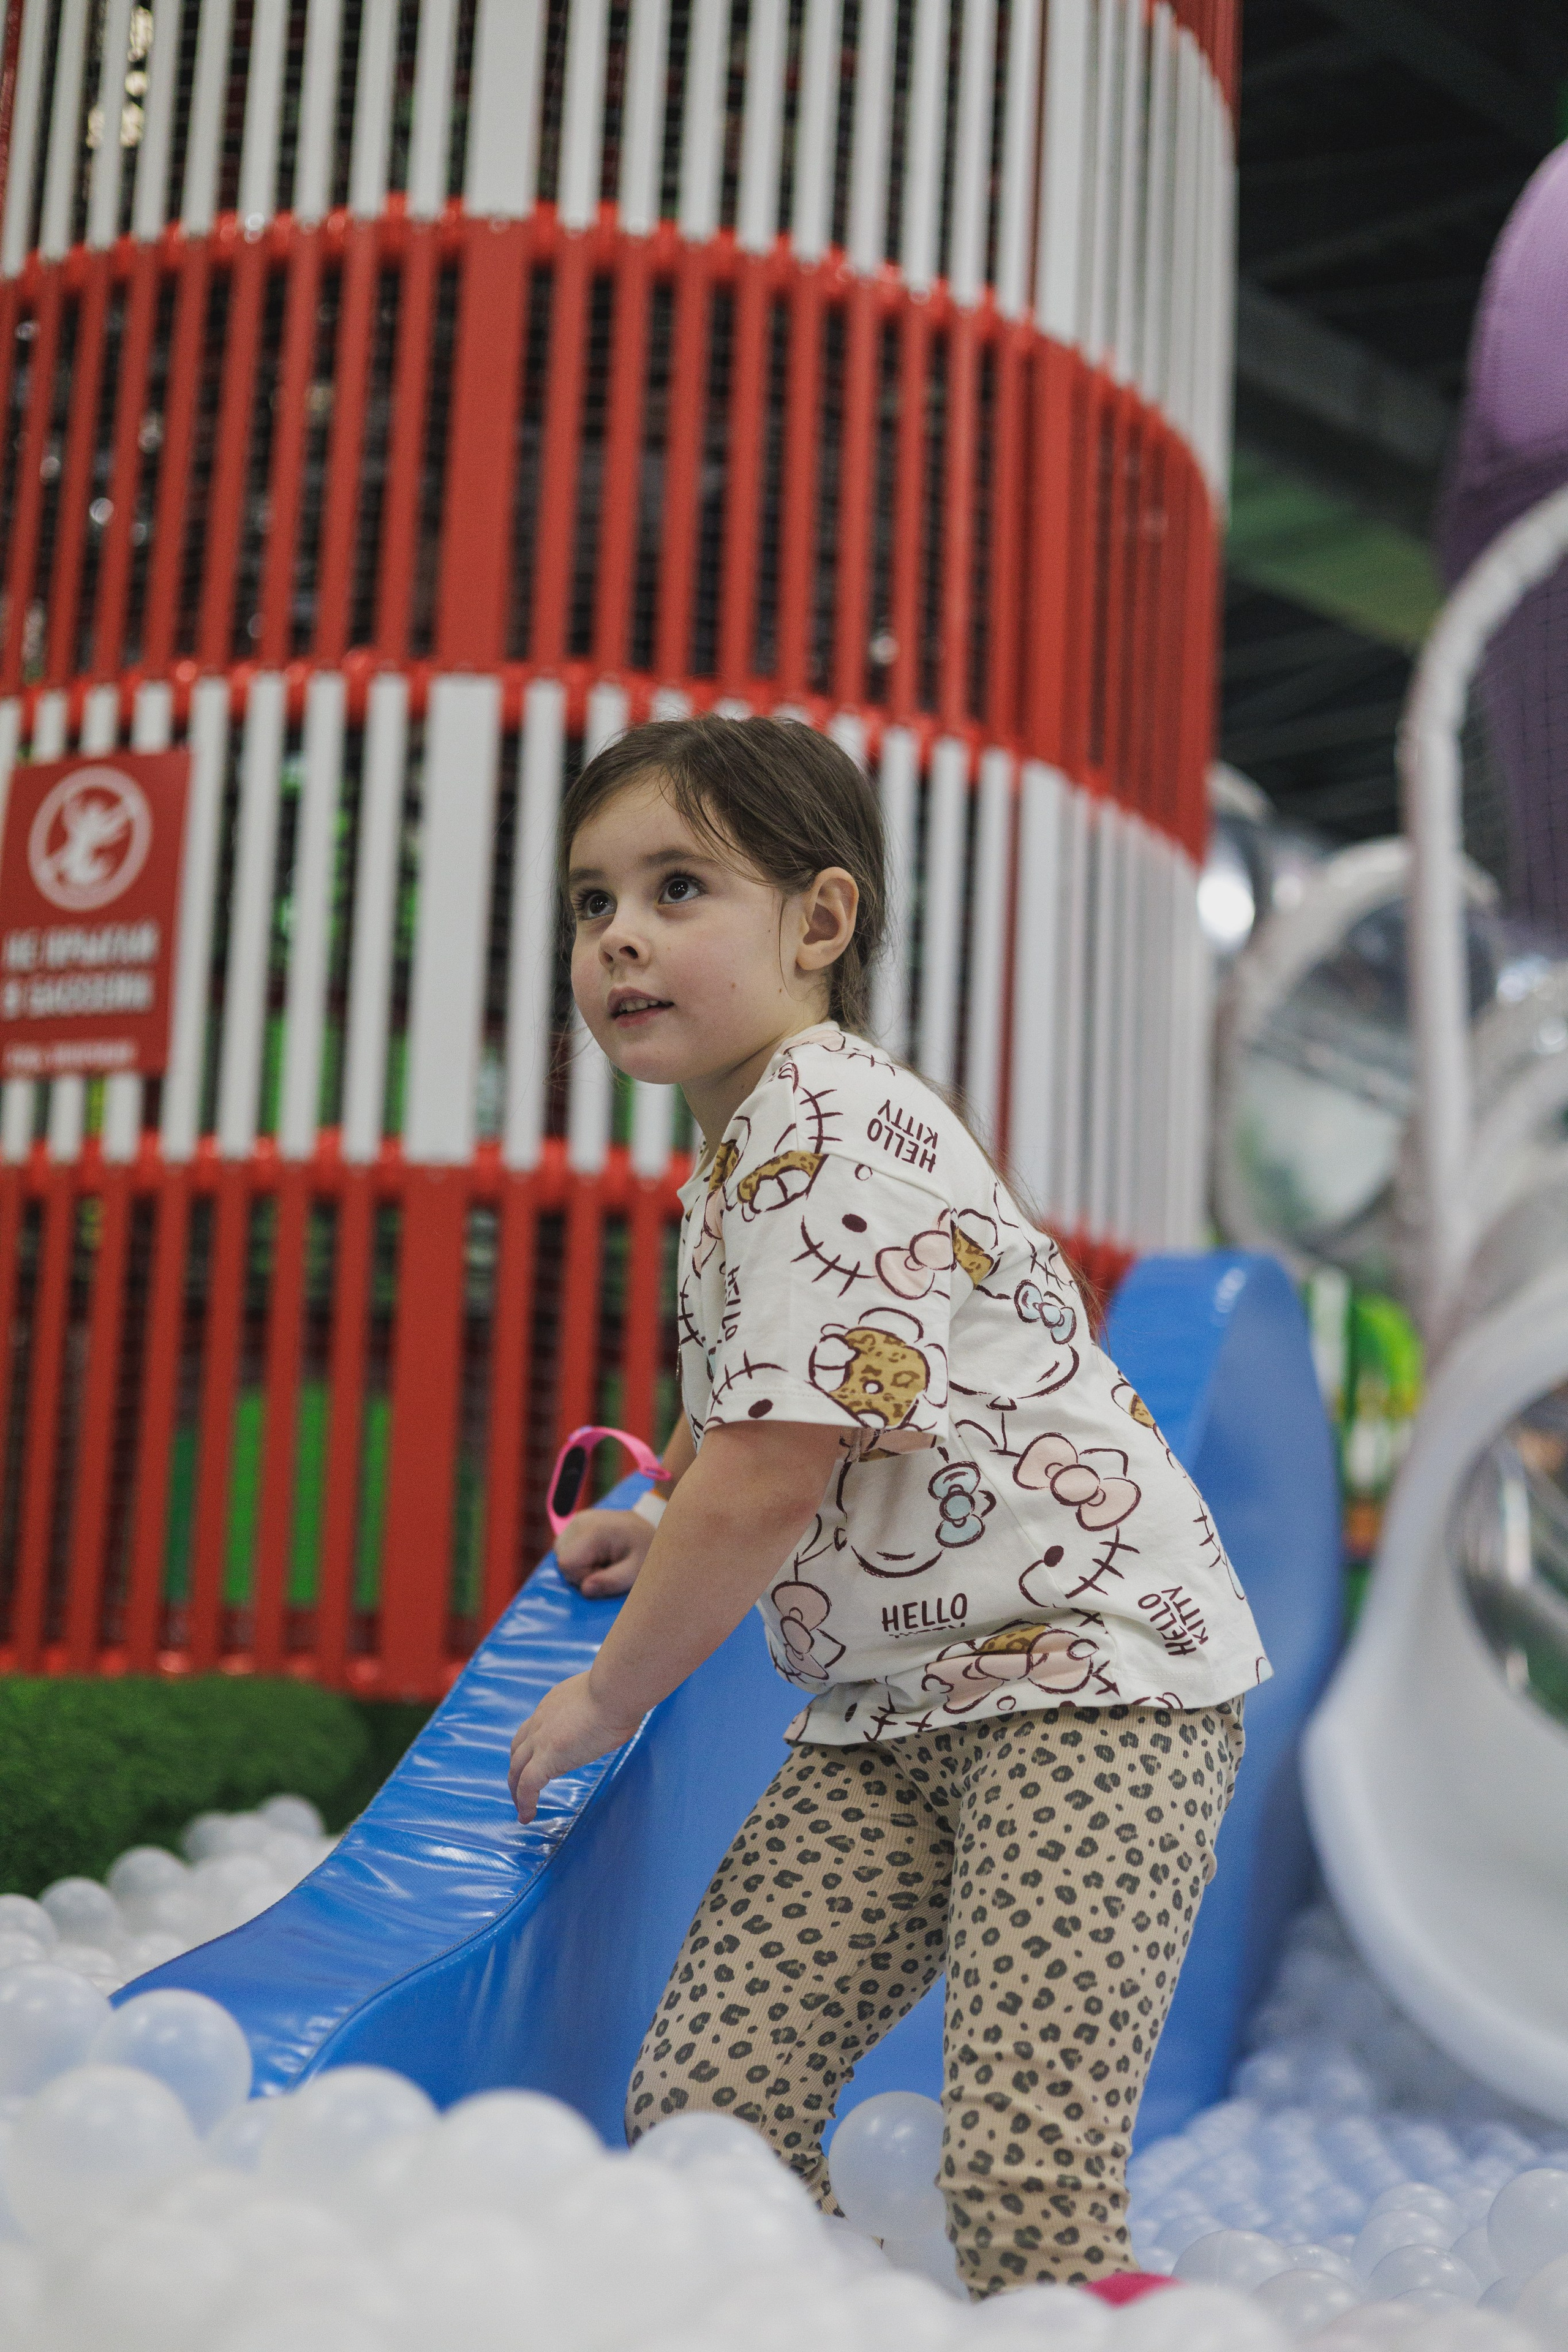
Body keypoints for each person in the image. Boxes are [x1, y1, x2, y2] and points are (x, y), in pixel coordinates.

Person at [508, 714, 1268, 2296]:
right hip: (888, 1714)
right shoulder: (739, 1158)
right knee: (709, 2111)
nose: (621, 936)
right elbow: (772, 1412)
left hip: (1090, 1682)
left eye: (676, 888)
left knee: (1021, 2173)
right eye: (592, 903)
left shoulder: (839, 1125)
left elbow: (777, 1470)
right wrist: (660, 1522)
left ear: (820, 921)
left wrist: (610, 1691)